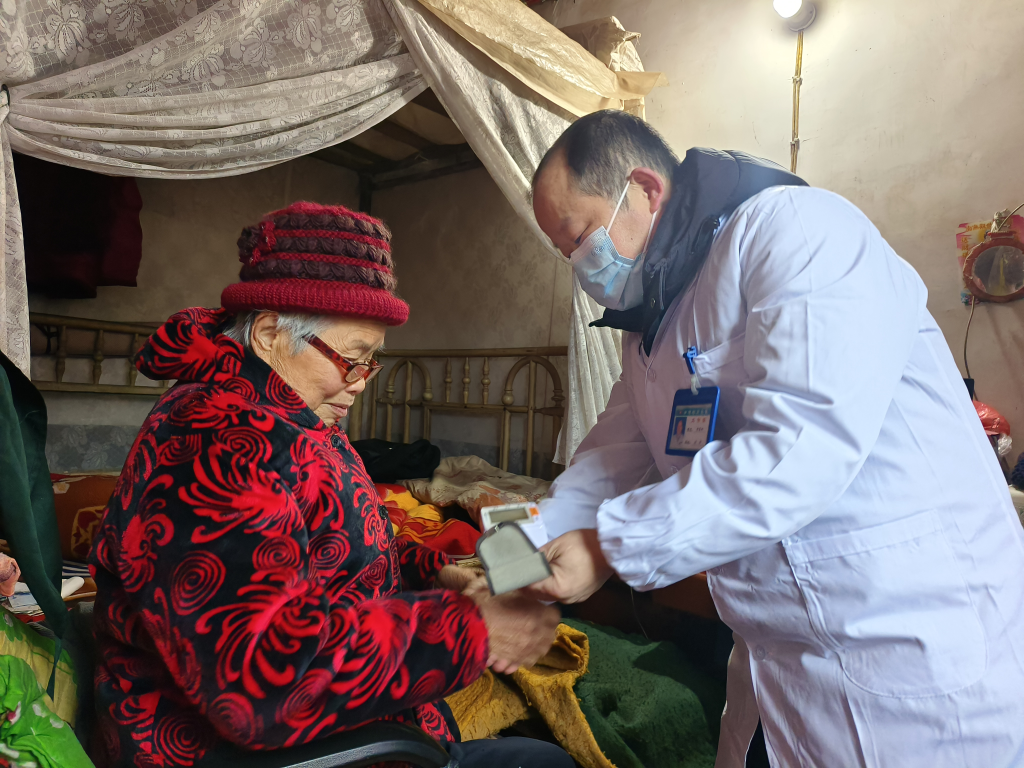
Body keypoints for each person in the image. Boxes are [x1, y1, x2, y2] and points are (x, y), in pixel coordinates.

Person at [528, 111, 1024, 767]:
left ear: (644, 190)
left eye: (580, 238)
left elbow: (799, 449)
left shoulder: (797, 231)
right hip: (778, 657)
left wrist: (609, 545)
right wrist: (508, 560)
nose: (579, 266)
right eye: (564, 253)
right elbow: (603, 466)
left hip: (910, 644)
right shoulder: (650, 328)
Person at [89, 202, 570, 768]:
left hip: (358, 731)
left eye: (371, 363)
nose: (361, 383)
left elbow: (335, 550)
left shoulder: (292, 415)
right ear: (270, 335)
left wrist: (434, 573)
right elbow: (262, 684)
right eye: (351, 359)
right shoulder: (219, 439)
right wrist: (470, 631)